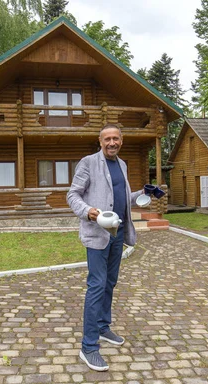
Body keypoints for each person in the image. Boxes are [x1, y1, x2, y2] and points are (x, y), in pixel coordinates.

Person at [67, 124, 143, 371]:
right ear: (100, 141)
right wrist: (87, 211)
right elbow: (73, 195)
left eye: (116, 138)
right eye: (107, 139)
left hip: (118, 232)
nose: (112, 142)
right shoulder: (88, 163)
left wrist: (145, 193)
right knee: (97, 285)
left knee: (110, 282)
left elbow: (122, 198)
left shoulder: (122, 165)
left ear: (122, 140)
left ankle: (102, 327)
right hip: (98, 233)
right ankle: (88, 347)